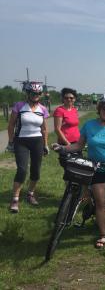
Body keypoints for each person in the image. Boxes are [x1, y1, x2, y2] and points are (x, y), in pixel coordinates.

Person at [52, 93, 105, 248]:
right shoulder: (89, 125)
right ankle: (103, 235)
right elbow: (79, 146)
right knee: (100, 203)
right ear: (99, 108)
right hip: (96, 169)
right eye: (104, 108)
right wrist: (63, 148)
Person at [7, 82, 49, 213]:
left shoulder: (42, 109)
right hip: (21, 141)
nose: (35, 95)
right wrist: (11, 141)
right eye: (33, 93)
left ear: (40, 95)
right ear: (28, 93)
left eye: (38, 93)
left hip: (37, 141)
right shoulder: (19, 106)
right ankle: (15, 199)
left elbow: (44, 129)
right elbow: (11, 125)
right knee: (22, 169)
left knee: (36, 171)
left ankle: (30, 194)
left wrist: (45, 144)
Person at [53, 88, 81, 168]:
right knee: (68, 168)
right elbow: (57, 129)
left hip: (77, 143)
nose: (69, 99)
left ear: (74, 99)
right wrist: (68, 144)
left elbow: (75, 126)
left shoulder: (74, 110)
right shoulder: (59, 110)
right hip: (65, 143)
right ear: (63, 99)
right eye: (66, 98)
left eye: (71, 98)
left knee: (78, 167)